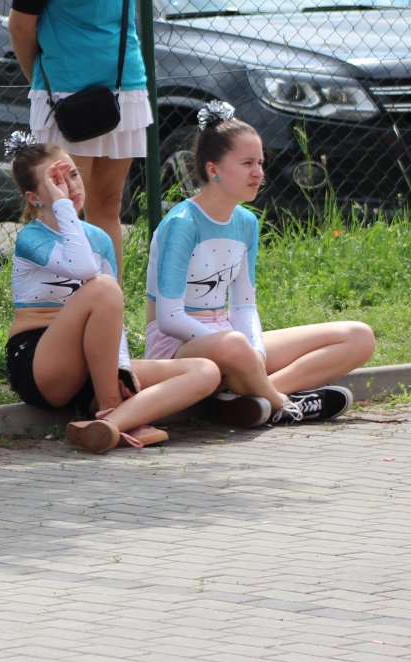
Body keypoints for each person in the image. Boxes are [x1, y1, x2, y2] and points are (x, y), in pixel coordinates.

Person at [144, 102, 374, 427]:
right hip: (178, 349)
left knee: (358, 336)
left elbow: (244, 305)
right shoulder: (182, 223)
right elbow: (168, 319)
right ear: (213, 169)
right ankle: (283, 404)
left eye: (260, 163)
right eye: (247, 163)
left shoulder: (246, 223)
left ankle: (248, 398)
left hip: (228, 338)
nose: (258, 173)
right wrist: (239, 349)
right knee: (235, 345)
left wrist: (256, 352)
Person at [5, 133, 222, 452]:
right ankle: (114, 407)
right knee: (104, 287)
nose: (71, 186)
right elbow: (82, 267)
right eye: (56, 181)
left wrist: (122, 370)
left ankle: (110, 423)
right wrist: (63, 205)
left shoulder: (99, 238)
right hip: (42, 363)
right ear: (34, 198)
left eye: (73, 174)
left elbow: (112, 317)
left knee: (205, 370)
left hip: (94, 361)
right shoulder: (31, 237)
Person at [7, 0, 148, 273]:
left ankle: (110, 302)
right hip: (68, 93)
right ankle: (61, 303)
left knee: (108, 204)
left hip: (125, 84)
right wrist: (44, 81)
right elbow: (21, 24)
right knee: (65, 208)